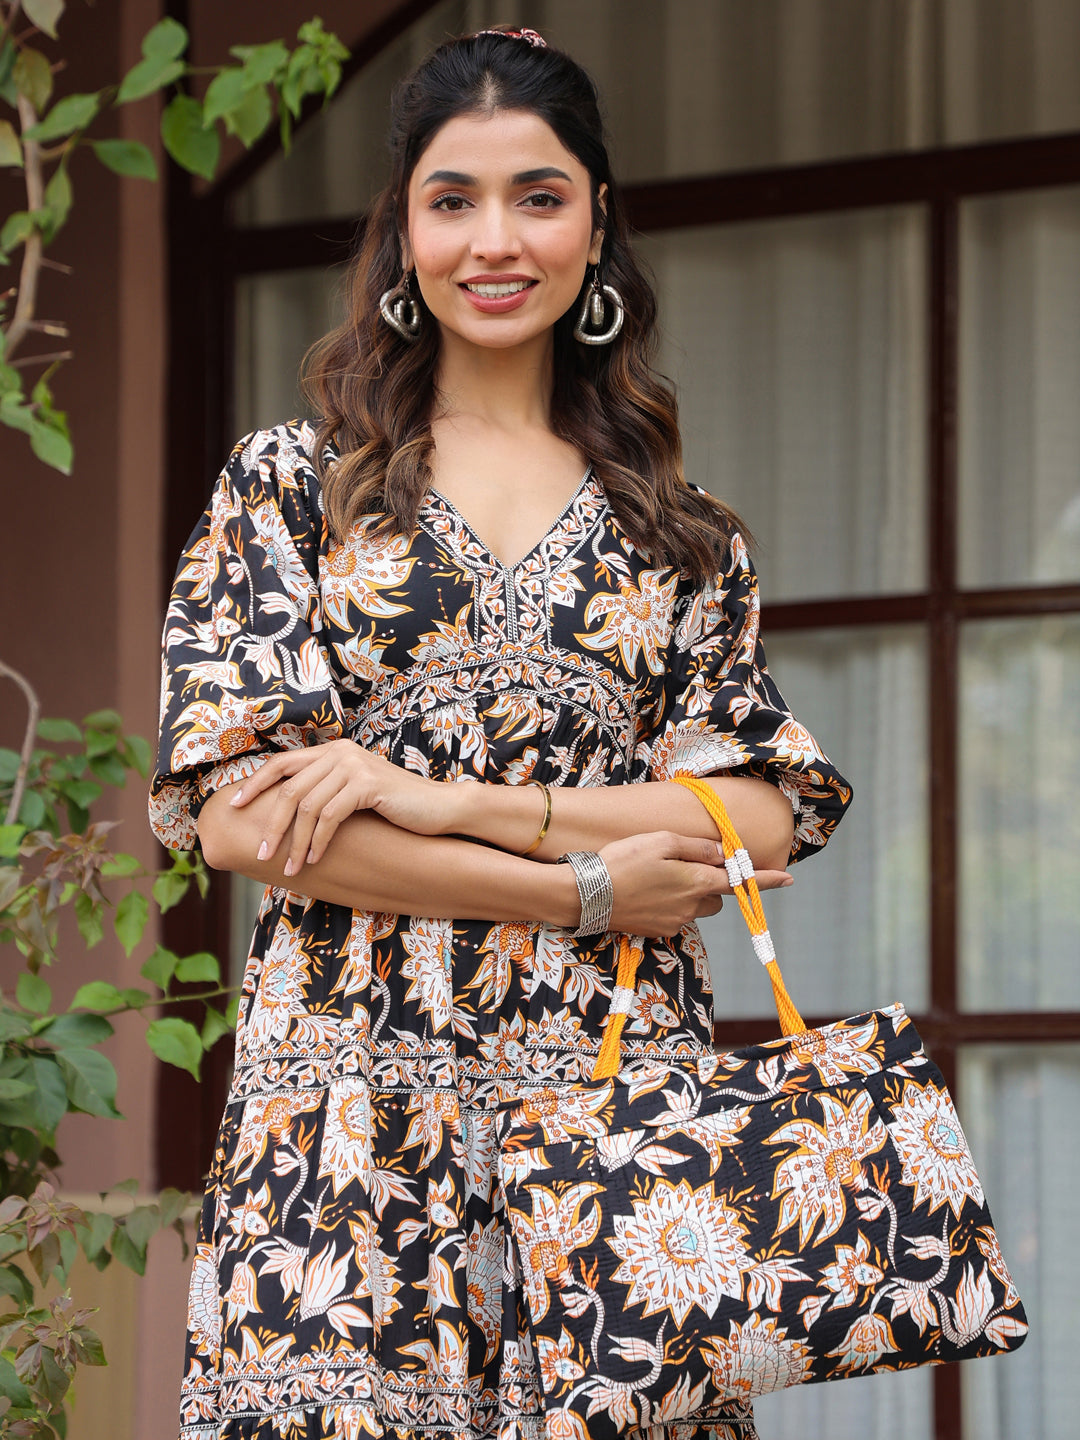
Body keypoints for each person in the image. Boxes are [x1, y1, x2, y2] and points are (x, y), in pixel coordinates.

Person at [150, 27, 851, 1440]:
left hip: (613, 1109)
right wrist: (586, 884)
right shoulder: (296, 485)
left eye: (539, 196)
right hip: (346, 1112)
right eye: (452, 198)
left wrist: (426, 797)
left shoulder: (683, 532)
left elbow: (768, 814)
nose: (495, 239)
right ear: (402, 234)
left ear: (598, 227)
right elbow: (239, 816)